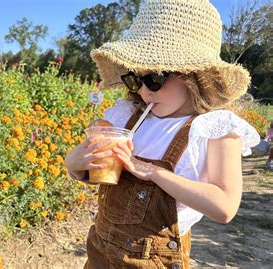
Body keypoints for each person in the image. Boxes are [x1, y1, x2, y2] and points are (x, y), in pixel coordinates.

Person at [64, 0, 261, 268]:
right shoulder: (128, 118)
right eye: (134, 79)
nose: (144, 91)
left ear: (194, 75)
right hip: (99, 250)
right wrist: (75, 164)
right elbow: (100, 178)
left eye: (153, 78)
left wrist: (154, 173)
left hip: (153, 259)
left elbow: (224, 207)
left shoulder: (214, 129)